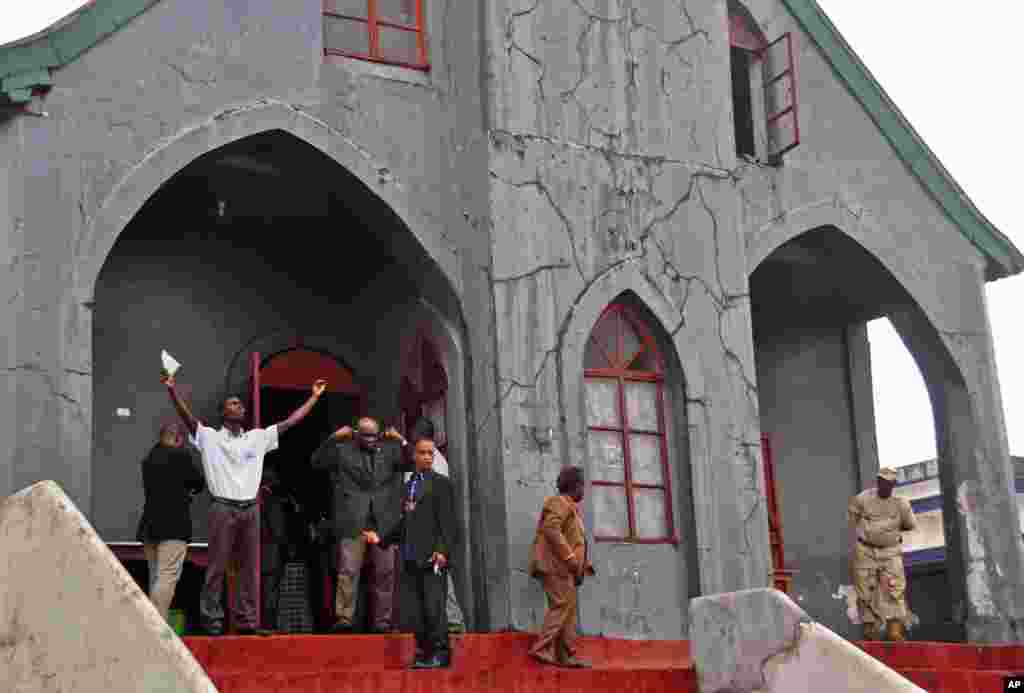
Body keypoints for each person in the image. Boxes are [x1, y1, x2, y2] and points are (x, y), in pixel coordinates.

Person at [163, 372, 327, 636]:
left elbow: (290, 423)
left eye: (240, 403)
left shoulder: (257, 437)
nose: (238, 405)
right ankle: (212, 621)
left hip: (250, 509)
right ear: (222, 412)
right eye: (232, 403)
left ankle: (247, 621)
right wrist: (172, 390)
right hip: (222, 507)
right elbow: (188, 418)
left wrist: (314, 397)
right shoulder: (209, 437)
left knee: (250, 568)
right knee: (216, 566)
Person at [310, 416, 409, 634]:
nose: (371, 439)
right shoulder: (344, 450)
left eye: (374, 434)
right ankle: (345, 618)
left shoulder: (390, 451)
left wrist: (401, 439)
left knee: (386, 572)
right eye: (366, 434)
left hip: (383, 521)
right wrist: (333, 438)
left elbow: (412, 462)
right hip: (354, 520)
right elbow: (316, 461)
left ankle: (382, 622)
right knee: (348, 570)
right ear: (356, 433)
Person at [388, 435, 456, 669]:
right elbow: (405, 522)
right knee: (416, 610)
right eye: (423, 453)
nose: (427, 457)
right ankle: (424, 653)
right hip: (411, 557)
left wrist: (442, 550)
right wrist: (381, 539)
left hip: (432, 557)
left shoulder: (441, 483)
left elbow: (448, 522)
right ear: (414, 456)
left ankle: (441, 653)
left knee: (434, 607)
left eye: (431, 453)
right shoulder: (409, 486)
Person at [136, 422, 205, 622]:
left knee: (155, 577)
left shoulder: (149, 459)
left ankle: (152, 623)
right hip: (174, 527)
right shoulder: (181, 456)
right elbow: (198, 482)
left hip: (149, 527)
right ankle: (157, 625)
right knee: (167, 577)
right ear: (178, 438)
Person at [528, 466, 595, 668]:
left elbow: (573, 539)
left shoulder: (571, 508)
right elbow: (551, 528)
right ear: (575, 486)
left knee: (569, 610)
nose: (584, 490)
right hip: (556, 567)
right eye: (582, 485)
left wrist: (585, 563)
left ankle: (568, 655)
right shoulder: (559, 502)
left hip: (567, 569)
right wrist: (570, 557)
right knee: (562, 605)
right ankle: (541, 648)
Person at [406, 417, 465, 633]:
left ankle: (454, 623)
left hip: (434, 533)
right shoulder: (428, 460)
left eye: (414, 436)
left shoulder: (434, 462)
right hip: (422, 534)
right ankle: (446, 623)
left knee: (439, 578)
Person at [848, 466, 917, 641]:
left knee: (895, 589)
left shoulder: (901, 503)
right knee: (865, 589)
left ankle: (894, 630)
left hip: (891, 551)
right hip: (866, 550)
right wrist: (870, 532)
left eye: (889, 482)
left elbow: (909, 524)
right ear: (878, 481)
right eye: (882, 481)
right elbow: (853, 519)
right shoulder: (862, 499)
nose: (885, 485)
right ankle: (870, 630)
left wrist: (887, 533)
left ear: (894, 484)